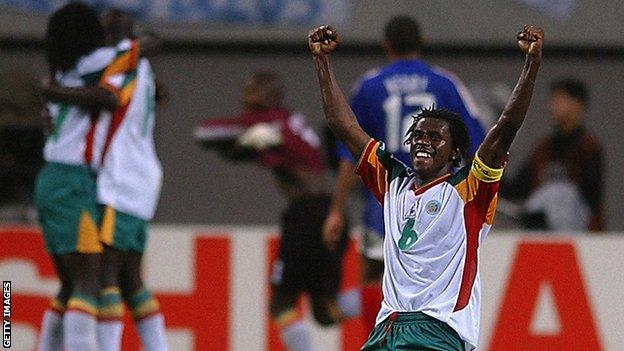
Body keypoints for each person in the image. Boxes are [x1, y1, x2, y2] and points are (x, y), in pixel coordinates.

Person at [309, 24, 543, 351]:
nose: (423, 142)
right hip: (387, 330)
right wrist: (322, 62)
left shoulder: (471, 190)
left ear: (456, 152)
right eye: (418, 136)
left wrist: (532, 64)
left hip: (437, 333)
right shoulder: (392, 182)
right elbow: (343, 126)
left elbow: (505, 128)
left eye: (435, 138)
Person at [321, 15, 486, 331]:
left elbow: (349, 153)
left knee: (373, 274)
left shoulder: (370, 84)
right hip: (438, 197)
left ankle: (379, 337)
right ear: (422, 41)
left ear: (386, 45)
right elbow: (474, 142)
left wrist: (336, 210)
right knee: (433, 274)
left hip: (385, 197)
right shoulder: (445, 83)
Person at [194, 71, 359, 351]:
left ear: (270, 95)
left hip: (306, 216)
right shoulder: (289, 120)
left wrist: (239, 140)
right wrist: (240, 146)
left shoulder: (268, 120)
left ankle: (381, 295)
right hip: (331, 211)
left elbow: (207, 132)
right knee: (325, 313)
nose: (246, 93)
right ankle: (378, 295)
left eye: (253, 88)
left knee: (281, 301)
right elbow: (245, 151)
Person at [35, 3, 137, 350]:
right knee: (89, 279)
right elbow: (141, 49)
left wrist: (49, 92)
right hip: (72, 179)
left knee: (70, 284)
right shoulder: (95, 64)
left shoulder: (59, 72)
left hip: (54, 180)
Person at [501, 78, 604, 231]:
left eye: (559, 100)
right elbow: (517, 189)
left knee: (561, 193)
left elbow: (592, 198)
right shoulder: (543, 148)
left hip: (581, 238)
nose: (552, 107)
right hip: (542, 235)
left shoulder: (589, 148)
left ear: (577, 105)